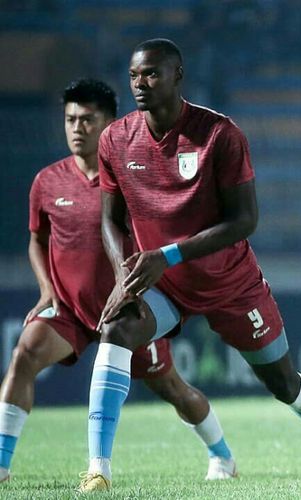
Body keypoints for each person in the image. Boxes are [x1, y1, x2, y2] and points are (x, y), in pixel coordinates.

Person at [77, 39, 301, 492]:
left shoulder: (220, 135)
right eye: (134, 76)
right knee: (116, 329)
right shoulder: (115, 139)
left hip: (230, 284)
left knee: (282, 383)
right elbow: (109, 219)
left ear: (178, 75)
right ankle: (98, 469)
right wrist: (124, 276)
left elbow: (245, 221)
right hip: (163, 286)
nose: (140, 84)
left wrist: (168, 255)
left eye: (152, 74)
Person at [0, 79, 237, 484]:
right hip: (70, 310)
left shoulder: (134, 179)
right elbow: (36, 240)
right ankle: (3, 466)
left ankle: (222, 456)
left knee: (174, 390)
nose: (77, 128)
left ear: (110, 123)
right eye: (71, 119)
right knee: (24, 354)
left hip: (127, 312)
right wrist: (45, 288)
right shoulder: (46, 182)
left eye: (88, 120)